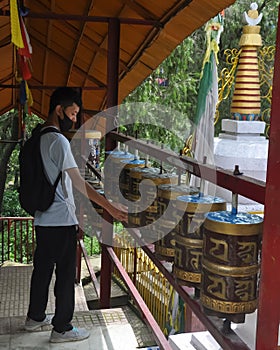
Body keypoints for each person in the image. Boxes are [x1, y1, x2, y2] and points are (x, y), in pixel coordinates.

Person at [24, 87, 128, 343]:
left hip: (43, 218)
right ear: (59, 110)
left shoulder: (39, 135)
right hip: (60, 219)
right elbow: (80, 183)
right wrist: (110, 207)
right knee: (65, 275)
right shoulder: (58, 141)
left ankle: (35, 317)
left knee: (43, 270)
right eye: (72, 113)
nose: (73, 119)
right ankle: (62, 328)